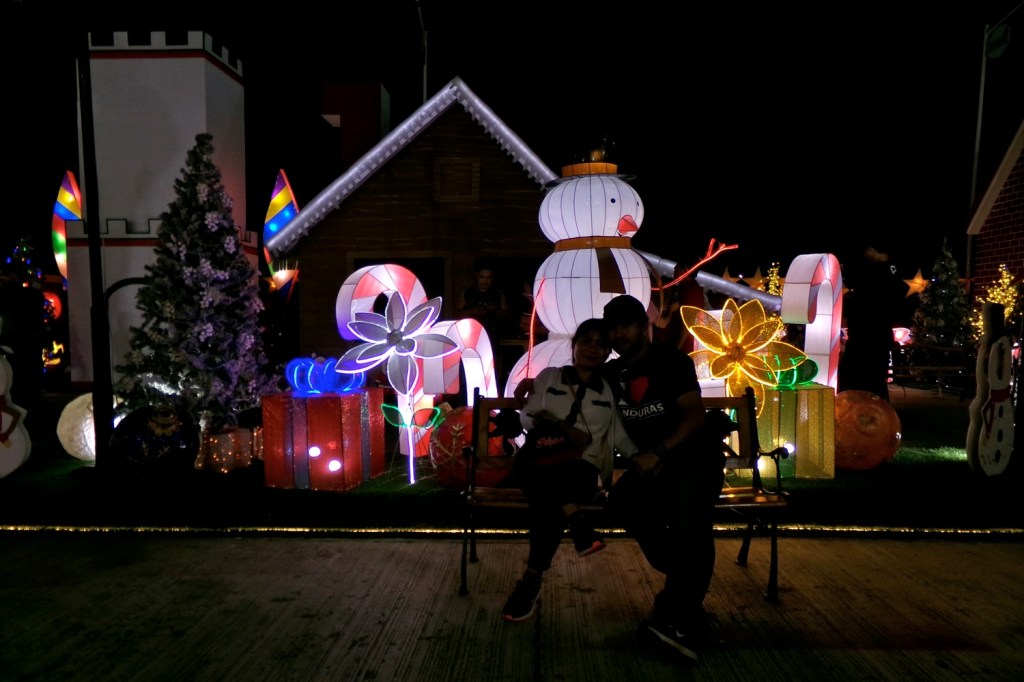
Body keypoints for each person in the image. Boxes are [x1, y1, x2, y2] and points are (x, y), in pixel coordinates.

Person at [601, 294, 726, 664]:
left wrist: (659, 452)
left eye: (625, 325)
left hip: (693, 457)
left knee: (689, 523)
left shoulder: (671, 362)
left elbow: (694, 416)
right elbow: (575, 387)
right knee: (621, 502)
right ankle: (686, 595)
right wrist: (536, 387)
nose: (617, 334)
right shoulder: (611, 374)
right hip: (650, 467)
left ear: (644, 327)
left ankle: (674, 614)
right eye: (612, 328)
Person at [501, 318, 638, 623]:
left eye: (601, 344)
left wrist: (643, 457)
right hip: (542, 459)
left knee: (546, 499)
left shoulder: (608, 390)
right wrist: (559, 425)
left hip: (579, 471)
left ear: (608, 352)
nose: (592, 348)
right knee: (544, 485)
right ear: (574, 345)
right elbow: (527, 418)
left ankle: (532, 580)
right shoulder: (550, 376)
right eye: (585, 341)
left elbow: (618, 435)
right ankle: (575, 520)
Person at [838, 244, 903, 400]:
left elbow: (896, 279)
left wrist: (885, 260)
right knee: (855, 372)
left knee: (873, 375)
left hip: (875, 331)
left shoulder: (887, 271)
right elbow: (851, 280)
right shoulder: (861, 268)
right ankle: (855, 402)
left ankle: (874, 405)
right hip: (863, 330)